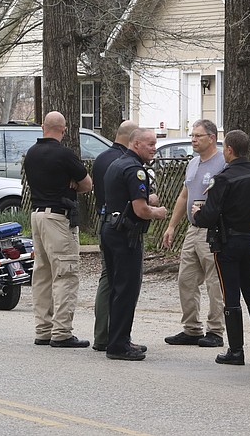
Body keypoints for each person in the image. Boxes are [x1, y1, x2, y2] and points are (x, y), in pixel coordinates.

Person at [192, 130, 250, 365]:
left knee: (231, 296)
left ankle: (236, 351)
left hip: (228, 243)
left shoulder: (223, 179)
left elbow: (210, 214)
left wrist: (197, 214)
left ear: (229, 150)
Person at [24, 111, 92, 348]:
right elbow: (87, 183)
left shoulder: (31, 154)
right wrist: (71, 183)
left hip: (37, 216)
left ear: (43, 127)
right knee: (65, 273)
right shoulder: (64, 155)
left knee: (42, 274)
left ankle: (43, 329)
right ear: (63, 129)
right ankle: (62, 331)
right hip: (58, 218)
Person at [101, 128, 168, 360]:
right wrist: (157, 211)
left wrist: (146, 199)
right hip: (125, 235)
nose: (154, 148)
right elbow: (140, 210)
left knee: (116, 288)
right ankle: (119, 345)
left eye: (155, 144)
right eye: (150, 144)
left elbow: (123, 197)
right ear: (136, 144)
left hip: (110, 229)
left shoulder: (117, 164)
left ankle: (118, 339)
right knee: (126, 290)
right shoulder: (135, 170)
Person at [161, 119, 226, 348]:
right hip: (193, 229)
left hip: (213, 230)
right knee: (185, 280)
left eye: (198, 136)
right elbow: (184, 196)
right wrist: (171, 226)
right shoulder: (193, 163)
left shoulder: (223, 163)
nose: (193, 140)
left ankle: (216, 330)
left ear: (212, 137)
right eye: (192, 136)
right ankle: (192, 329)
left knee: (214, 281)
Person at [91, 120, 140, 352]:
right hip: (121, 225)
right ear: (131, 139)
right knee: (120, 283)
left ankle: (104, 334)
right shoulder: (123, 162)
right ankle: (112, 336)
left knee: (108, 279)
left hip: (105, 221)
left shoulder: (102, 158)